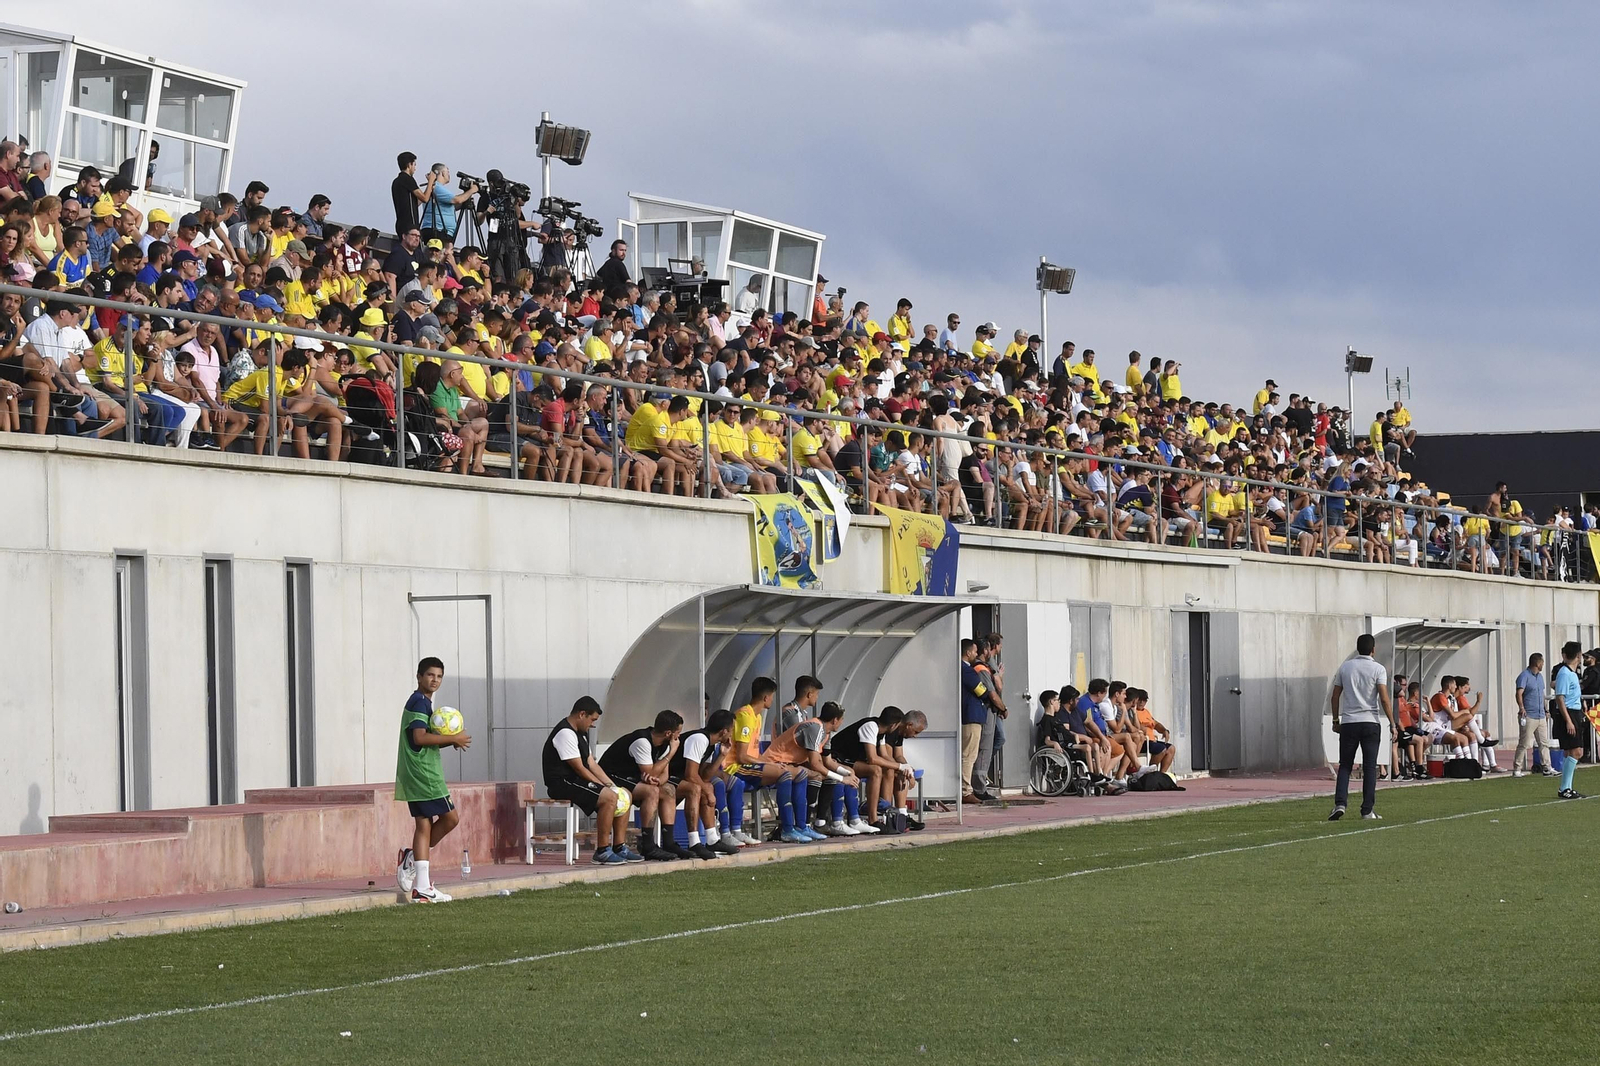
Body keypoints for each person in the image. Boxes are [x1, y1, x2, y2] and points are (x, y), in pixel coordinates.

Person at [394, 656, 472, 904]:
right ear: (419, 677)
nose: (434, 680)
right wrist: (453, 739)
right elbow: (419, 738)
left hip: (418, 771)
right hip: (423, 774)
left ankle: (420, 882)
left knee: (424, 825)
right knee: (450, 818)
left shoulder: (423, 702)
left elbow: (423, 738)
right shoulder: (419, 702)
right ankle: (415, 869)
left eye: (439, 676)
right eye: (430, 675)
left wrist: (449, 740)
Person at [542, 695, 634, 864]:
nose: (593, 725)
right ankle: (602, 851)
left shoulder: (581, 734)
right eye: (592, 720)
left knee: (624, 794)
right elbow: (579, 768)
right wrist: (605, 789)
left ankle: (619, 846)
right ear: (582, 714)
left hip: (576, 780)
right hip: (562, 783)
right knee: (609, 797)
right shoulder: (565, 733)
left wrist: (612, 785)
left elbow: (592, 764)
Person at [758, 701, 858, 843]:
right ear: (835, 720)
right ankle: (791, 828)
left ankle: (811, 824)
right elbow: (815, 763)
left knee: (817, 775)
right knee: (811, 774)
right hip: (774, 763)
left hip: (788, 764)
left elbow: (827, 762)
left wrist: (846, 773)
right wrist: (842, 779)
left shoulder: (826, 732)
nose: (841, 723)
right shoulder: (815, 728)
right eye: (841, 720)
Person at [595, 709, 683, 862]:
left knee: (668, 789)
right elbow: (651, 771)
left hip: (633, 777)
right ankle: (648, 845)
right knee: (651, 792)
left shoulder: (664, 744)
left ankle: (668, 842)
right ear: (668, 733)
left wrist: (658, 781)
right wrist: (671, 754)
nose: (679, 737)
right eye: (677, 733)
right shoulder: (642, 741)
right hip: (613, 776)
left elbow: (663, 775)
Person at [1329, 633, 1398, 821]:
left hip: (1350, 722)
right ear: (1373, 649)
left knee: (1345, 766)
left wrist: (1336, 720)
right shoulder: (1378, 669)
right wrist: (1392, 723)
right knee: (1369, 767)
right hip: (1370, 722)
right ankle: (1367, 810)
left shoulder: (1346, 667)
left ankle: (1340, 803)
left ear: (1357, 648)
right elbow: (1384, 698)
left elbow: (1335, 696)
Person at [721, 676, 797, 844]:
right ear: (765, 698)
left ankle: (793, 826)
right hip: (734, 767)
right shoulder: (744, 715)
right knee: (784, 773)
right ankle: (787, 829)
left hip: (749, 765)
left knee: (789, 772)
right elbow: (741, 757)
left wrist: (772, 762)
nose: (771, 700)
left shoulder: (757, 716)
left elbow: (754, 754)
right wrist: (768, 764)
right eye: (771, 696)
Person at [666, 709, 742, 857]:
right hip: (667, 777)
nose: (732, 734)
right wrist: (707, 791)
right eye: (731, 730)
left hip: (680, 779)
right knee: (696, 788)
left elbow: (705, 775)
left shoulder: (712, 744)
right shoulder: (699, 739)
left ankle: (712, 839)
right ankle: (694, 842)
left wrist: (722, 755)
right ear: (724, 731)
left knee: (706, 785)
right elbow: (690, 774)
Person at [959, 639, 1004, 803]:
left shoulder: (965, 669)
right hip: (971, 716)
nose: (976, 654)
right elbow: (982, 690)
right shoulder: (967, 670)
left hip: (971, 715)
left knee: (969, 753)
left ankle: (967, 788)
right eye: (974, 650)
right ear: (968, 652)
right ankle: (965, 791)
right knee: (968, 755)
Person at [1550, 641, 1587, 800]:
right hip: (1568, 714)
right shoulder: (1564, 673)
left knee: (1571, 751)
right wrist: (1568, 720)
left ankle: (1567, 788)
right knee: (1577, 751)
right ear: (1578, 655)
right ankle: (1564, 788)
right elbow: (1560, 698)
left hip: (1574, 712)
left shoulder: (1572, 673)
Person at [1513, 653, 1555, 778]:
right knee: (1524, 743)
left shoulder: (1540, 677)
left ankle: (1547, 767)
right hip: (1529, 715)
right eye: (1541, 662)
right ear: (1537, 663)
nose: (1543, 665)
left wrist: (1545, 709)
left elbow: (1541, 694)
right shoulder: (1524, 676)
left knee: (1544, 743)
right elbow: (1519, 693)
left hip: (1540, 715)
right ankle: (1517, 768)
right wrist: (1521, 708)